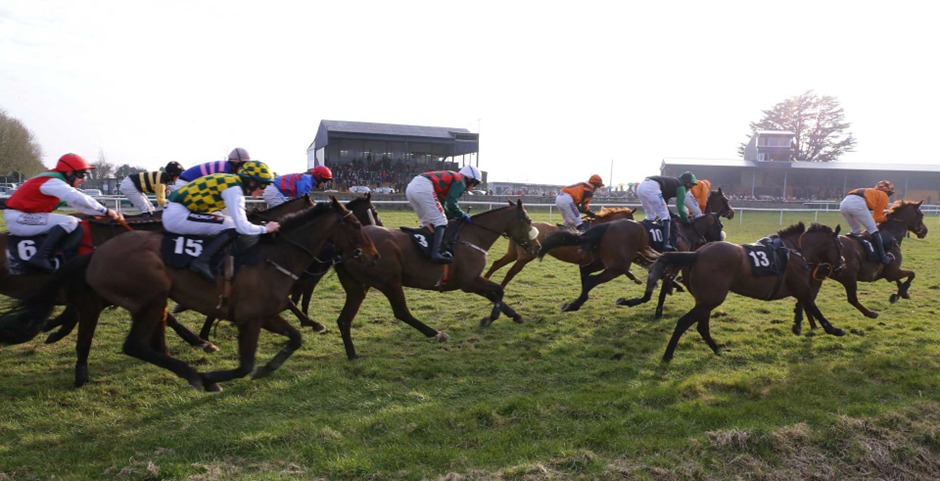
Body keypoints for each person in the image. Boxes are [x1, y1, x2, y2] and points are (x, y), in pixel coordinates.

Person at [3, 153, 124, 272]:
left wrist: (104, 213)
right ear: (69, 173)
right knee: (69, 221)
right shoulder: (52, 182)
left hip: (24, 216)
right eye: (81, 175)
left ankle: (63, 258)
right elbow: (77, 197)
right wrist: (106, 210)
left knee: (76, 222)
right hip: (18, 219)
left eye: (85, 175)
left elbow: (79, 204)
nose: (84, 179)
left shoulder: (56, 181)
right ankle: (41, 257)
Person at [162, 160, 281, 280]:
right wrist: (265, 229)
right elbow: (242, 227)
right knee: (231, 226)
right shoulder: (234, 189)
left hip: (179, 210)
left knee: (229, 222)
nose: (264, 190)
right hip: (177, 215)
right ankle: (202, 261)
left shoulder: (233, 182)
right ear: (251, 182)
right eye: (263, 185)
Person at [405, 164, 481, 263]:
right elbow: (451, 203)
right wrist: (462, 215)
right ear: (470, 180)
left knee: (427, 223)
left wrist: (452, 216)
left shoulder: (449, 180)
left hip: (411, 187)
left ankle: (423, 249)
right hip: (423, 187)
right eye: (475, 184)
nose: (473, 187)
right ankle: (436, 253)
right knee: (440, 221)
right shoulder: (460, 180)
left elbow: (443, 206)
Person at [636, 171, 699, 251]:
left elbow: (665, 205)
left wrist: (673, 215)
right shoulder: (681, 186)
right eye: (691, 185)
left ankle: (644, 236)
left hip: (641, 186)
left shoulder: (671, 185)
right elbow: (680, 207)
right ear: (687, 183)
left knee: (651, 216)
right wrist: (686, 220)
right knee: (665, 216)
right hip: (652, 187)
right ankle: (666, 244)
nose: (691, 188)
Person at [840, 180, 896, 264]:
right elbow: (876, 218)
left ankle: (852, 251)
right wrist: (886, 218)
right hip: (857, 204)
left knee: (856, 230)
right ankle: (883, 257)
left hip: (843, 204)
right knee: (873, 229)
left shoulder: (871, 191)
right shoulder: (884, 195)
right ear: (888, 191)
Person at [120, 161, 185, 215]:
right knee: (147, 210)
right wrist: (175, 206)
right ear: (171, 175)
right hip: (129, 185)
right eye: (178, 176)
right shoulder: (161, 183)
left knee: (151, 209)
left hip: (131, 184)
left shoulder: (163, 178)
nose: (180, 178)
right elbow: (161, 201)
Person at [174, 147, 251, 188]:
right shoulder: (224, 170)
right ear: (237, 162)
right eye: (242, 165)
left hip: (186, 182)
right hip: (185, 183)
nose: (242, 168)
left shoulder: (225, 167)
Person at [261, 165, 333, 208]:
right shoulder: (306, 182)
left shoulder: (308, 180)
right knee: (286, 213)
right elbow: (303, 200)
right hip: (272, 190)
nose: (325, 184)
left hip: (273, 190)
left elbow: (306, 200)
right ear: (318, 177)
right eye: (325, 181)